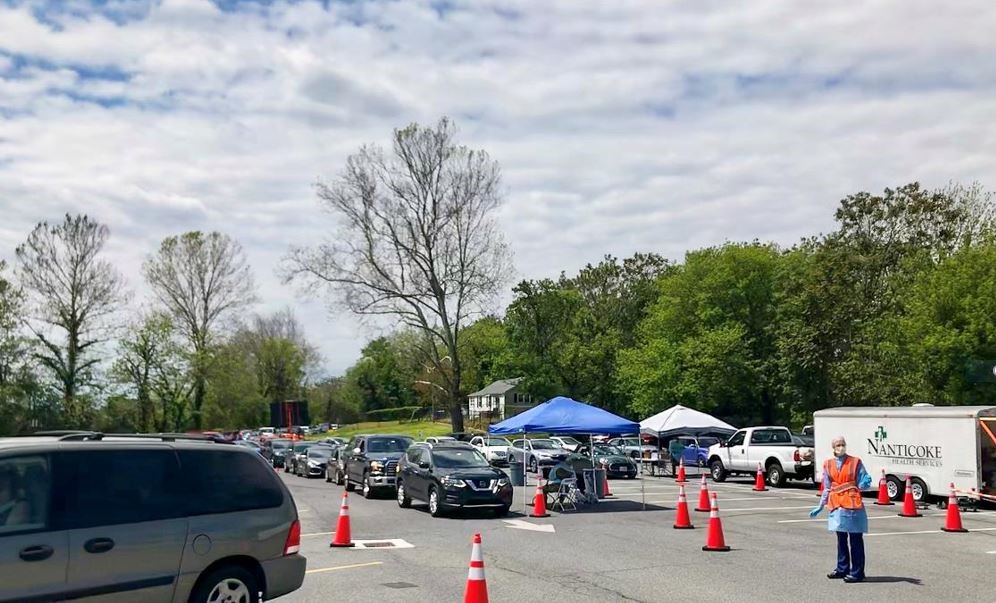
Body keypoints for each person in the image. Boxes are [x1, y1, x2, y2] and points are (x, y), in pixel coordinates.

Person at [809, 436, 873, 583]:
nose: (841, 447)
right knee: (841, 539)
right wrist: (820, 505)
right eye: (838, 444)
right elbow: (826, 487)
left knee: (856, 539)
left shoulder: (855, 462)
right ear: (833, 447)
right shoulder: (828, 464)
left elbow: (864, 479)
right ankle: (842, 568)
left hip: (852, 504)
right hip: (837, 504)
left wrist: (864, 482)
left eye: (843, 444)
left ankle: (857, 572)